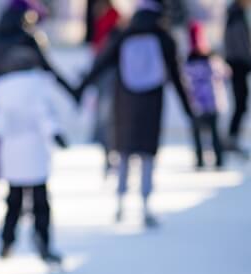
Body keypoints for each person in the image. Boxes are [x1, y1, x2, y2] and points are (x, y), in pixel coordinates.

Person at [76, 0, 194, 228]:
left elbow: (100, 64)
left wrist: (79, 89)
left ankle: (120, 203)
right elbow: (176, 75)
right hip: (152, 103)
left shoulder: (123, 35)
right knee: (147, 154)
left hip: (125, 103)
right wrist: (188, 108)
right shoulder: (163, 37)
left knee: (124, 152)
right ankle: (146, 204)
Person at [0, 47, 68, 267]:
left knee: (13, 200)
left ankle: (6, 241)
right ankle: (43, 242)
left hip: (11, 152)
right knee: (40, 201)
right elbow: (44, 116)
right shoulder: (39, 85)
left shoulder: (0, 89)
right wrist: (56, 134)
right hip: (35, 152)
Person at [184, 21, 228, 169]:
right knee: (214, 133)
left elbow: (184, 80)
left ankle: (200, 160)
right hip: (211, 103)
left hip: (197, 104)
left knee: (199, 134)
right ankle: (218, 159)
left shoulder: (189, 63)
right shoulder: (212, 60)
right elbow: (224, 73)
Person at [87, 0, 123, 176]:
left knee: (109, 118)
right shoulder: (103, 21)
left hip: (110, 77)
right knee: (105, 119)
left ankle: (112, 156)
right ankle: (109, 156)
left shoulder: (113, 21)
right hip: (104, 77)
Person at [224, 0, 251, 152]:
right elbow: (240, 44)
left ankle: (233, 138)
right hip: (238, 66)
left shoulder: (237, 15)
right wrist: (246, 61)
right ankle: (232, 139)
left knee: (241, 105)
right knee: (240, 105)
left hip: (239, 65)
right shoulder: (236, 16)